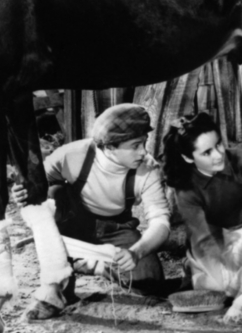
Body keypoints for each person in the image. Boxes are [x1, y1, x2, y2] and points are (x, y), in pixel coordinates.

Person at [13, 103, 171, 316]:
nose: (143, 152)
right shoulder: (72, 154)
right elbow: (35, 187)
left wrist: (136, 252)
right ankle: (58, 286)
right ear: (110, 146)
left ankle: (95, 264)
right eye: (135, 145)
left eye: (144, 143)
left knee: (150, 282)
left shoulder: (147, 169)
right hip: (73, 223)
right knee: (54, 193)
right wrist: (22, 193)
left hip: (116, 228)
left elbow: (161, 221)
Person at [163, 111, 242, 324]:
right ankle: (193, 267)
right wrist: (222, 274)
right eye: (206, 152)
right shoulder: (184, 187)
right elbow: (203, 238)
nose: (218, 155)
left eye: (219, 145)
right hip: (213, 235)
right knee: (216, 290)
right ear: (187, 157)